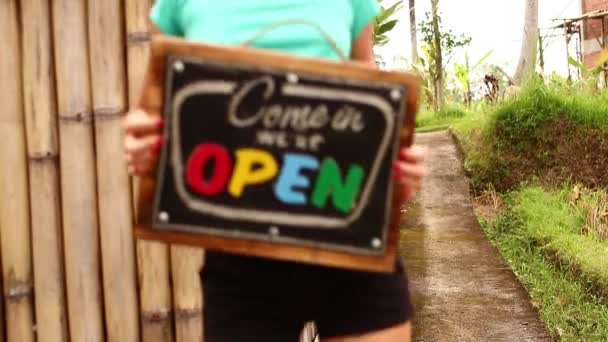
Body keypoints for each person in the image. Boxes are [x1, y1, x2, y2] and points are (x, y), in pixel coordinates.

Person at [124, 1, 426, 341]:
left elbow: (370, 94)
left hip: (352, 244)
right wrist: (144, 141)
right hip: (240, 264)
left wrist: (396, 156)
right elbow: (161, 99)